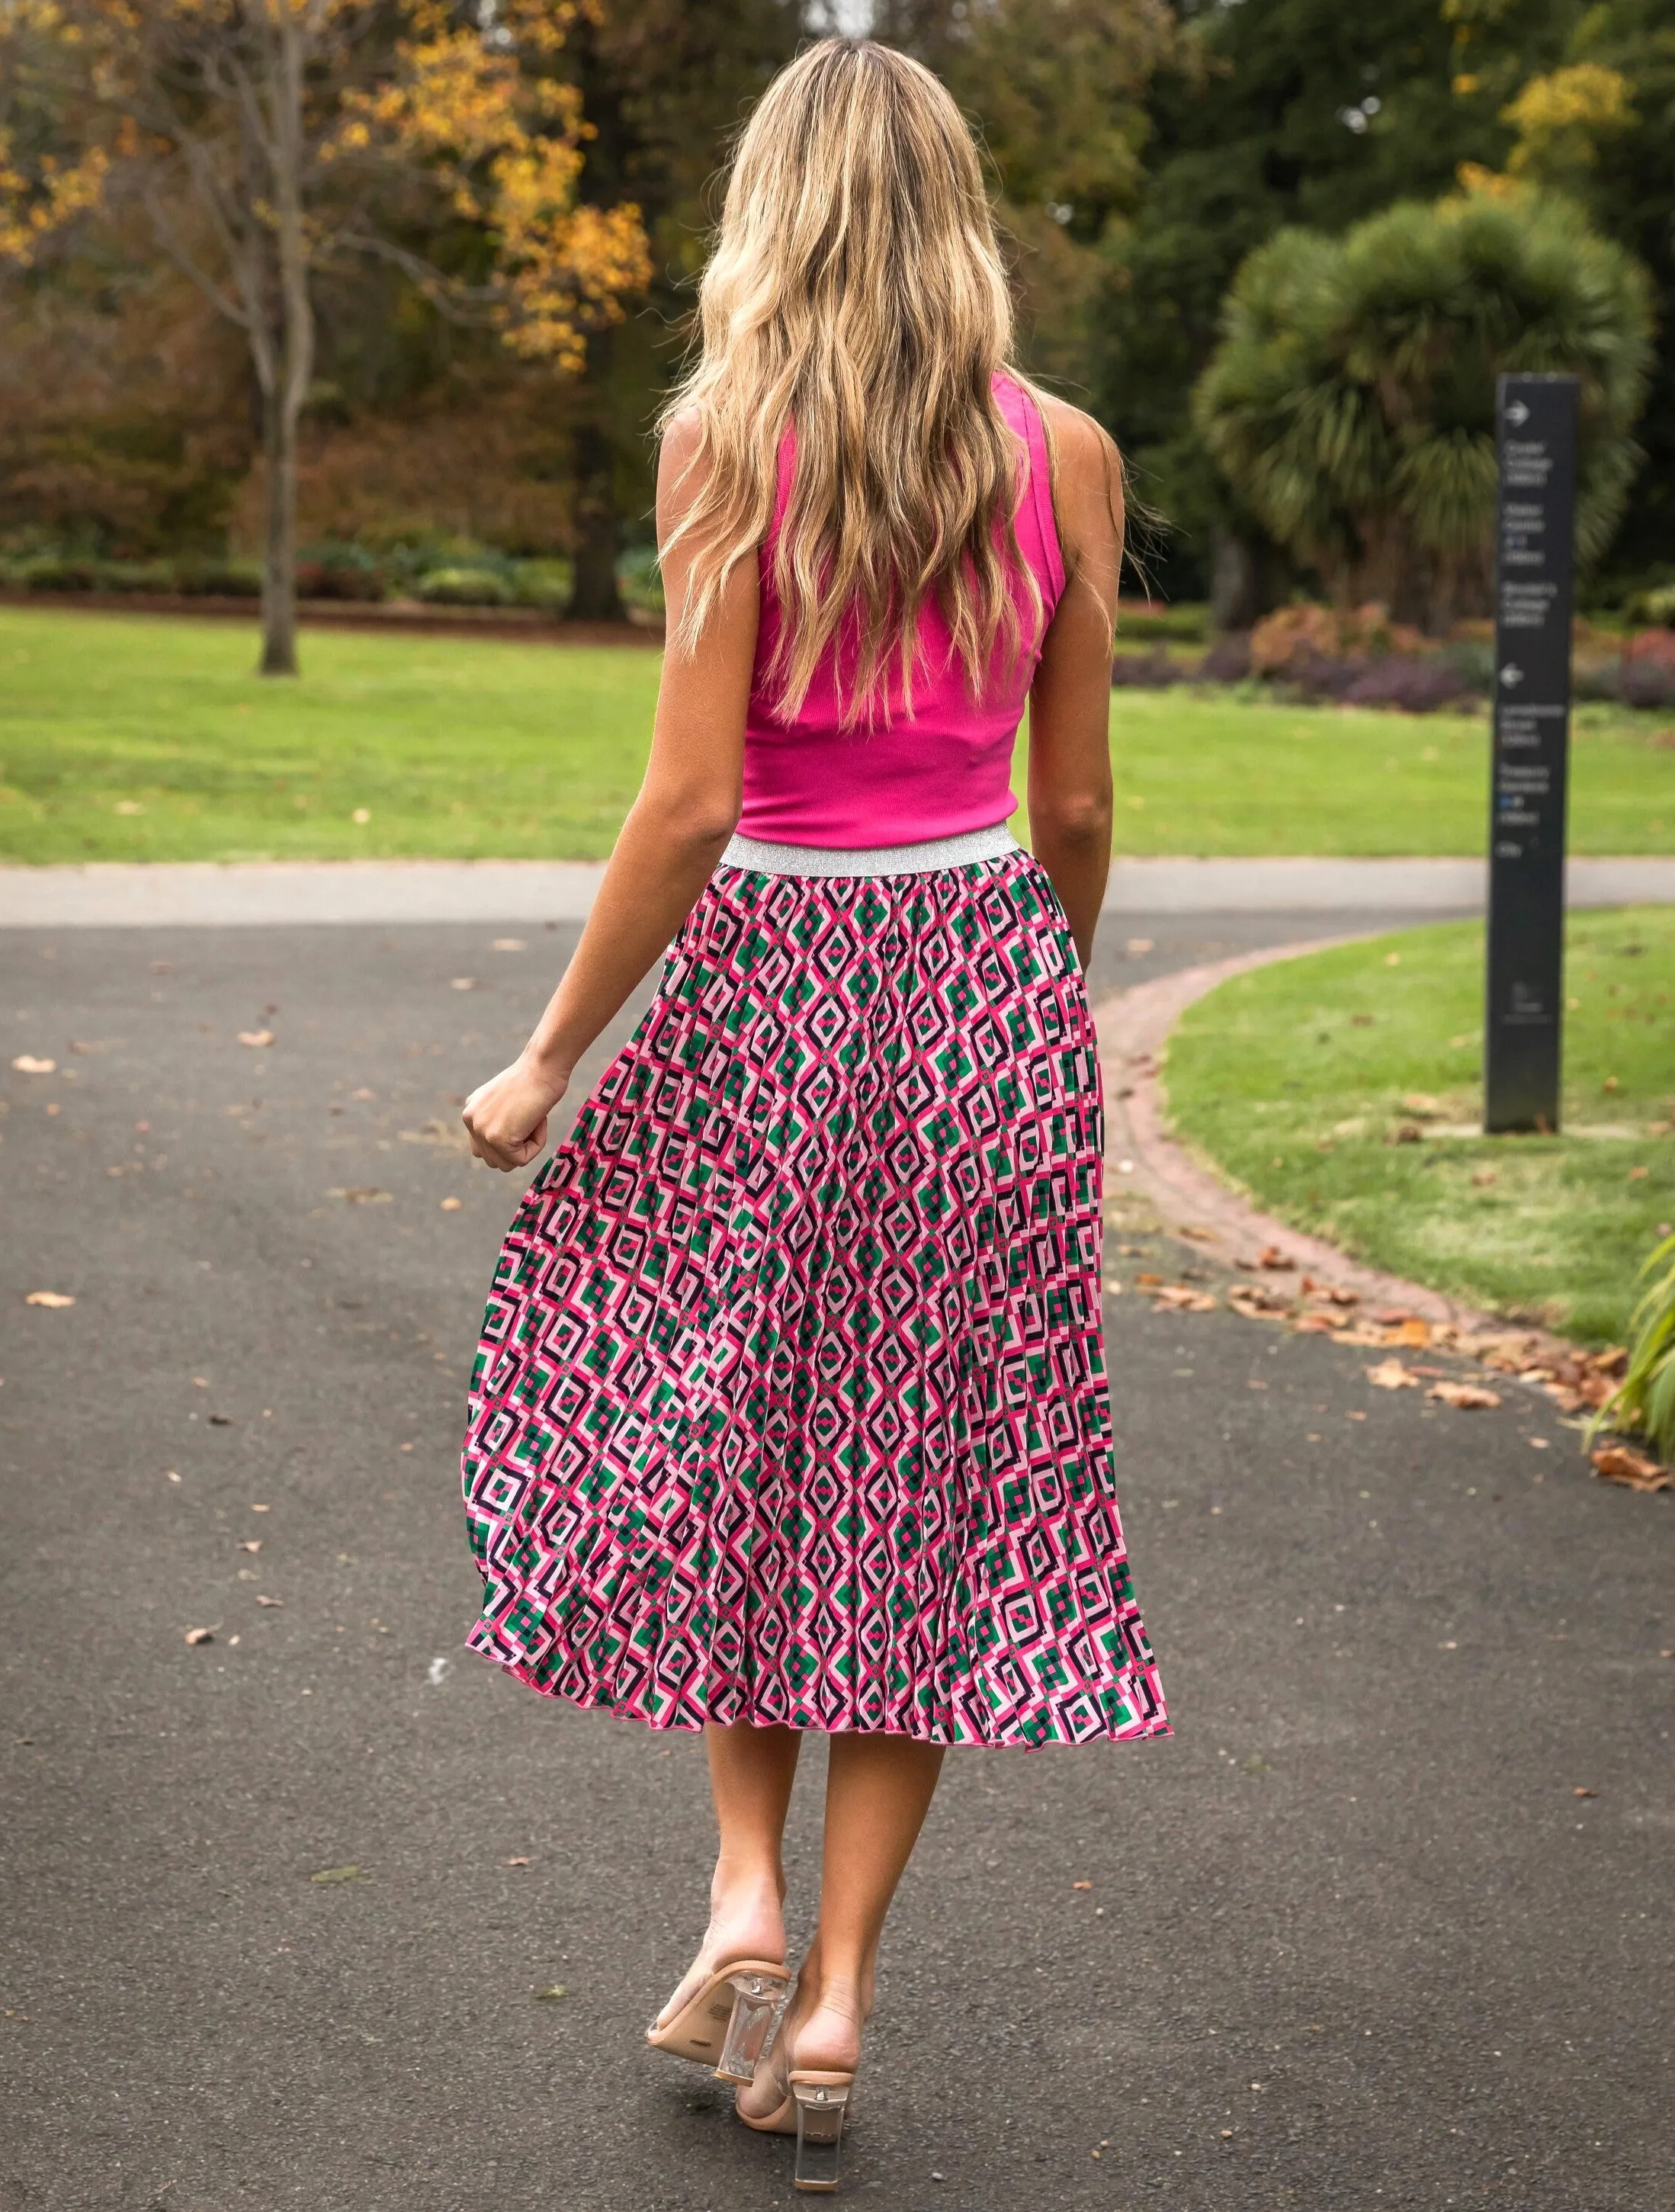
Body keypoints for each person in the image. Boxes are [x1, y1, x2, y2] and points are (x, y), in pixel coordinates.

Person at [459, 35, 1168, 2195]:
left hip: (770, 990)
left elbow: (688, 803)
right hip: (976, 989)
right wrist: (1026, 1001)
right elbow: (1072, 803)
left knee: (716, 1432)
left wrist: (549, 1051)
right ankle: (839, 1991)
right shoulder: (1063, 454)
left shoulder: (722, 447)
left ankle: (741, 1885)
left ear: (770, 210)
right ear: (955, 211)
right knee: (924, 1494)